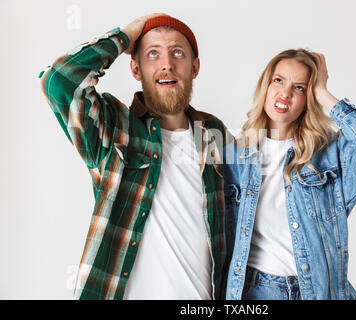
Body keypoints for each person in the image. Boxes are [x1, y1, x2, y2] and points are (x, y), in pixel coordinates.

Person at [39, 14, 231, 300]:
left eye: (178, 52)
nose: (167, 63)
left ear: (195, 67)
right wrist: (127, 35)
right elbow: (58, 82)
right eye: (153, 54)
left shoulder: (213, 132)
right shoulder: (112, 127)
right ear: (135, 68)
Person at [223, 49, 356, 300]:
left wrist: (323, 93)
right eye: (279, 80)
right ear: (265, 85)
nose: (285, 92)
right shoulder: (233, 157)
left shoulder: (327, 157)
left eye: (300, 88)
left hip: (317, 292)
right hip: (256, 292)